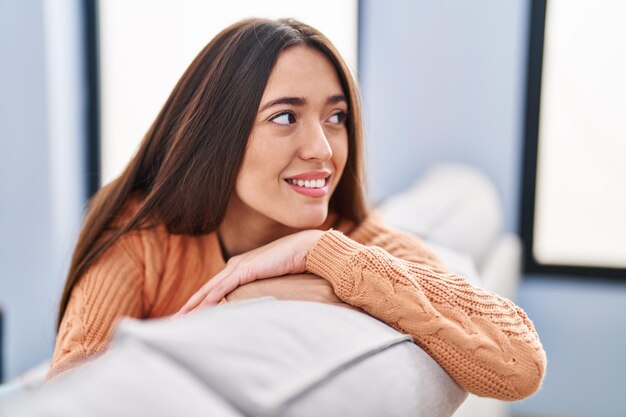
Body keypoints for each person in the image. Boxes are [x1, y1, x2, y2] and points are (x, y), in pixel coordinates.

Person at [49, 17, 546, 401]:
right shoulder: (143, 239)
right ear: (215, 136)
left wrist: (322, 252)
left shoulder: (354, 240)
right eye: (285, 117)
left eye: (336, 117)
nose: (324, 149)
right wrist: (234, 308)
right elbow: (72, 396)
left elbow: (521, 364)